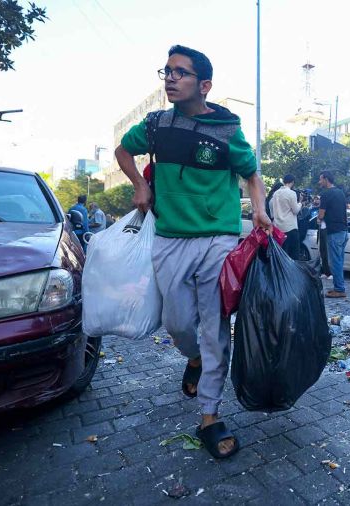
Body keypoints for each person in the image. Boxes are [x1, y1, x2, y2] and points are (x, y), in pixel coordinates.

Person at [114, 45, 270, 460]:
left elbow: (251, 173)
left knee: (215, 326)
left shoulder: (226, 129)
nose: (169, 78)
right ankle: (195, 359)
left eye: (179, 72)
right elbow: (122, 152)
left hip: (218, 238)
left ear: (204, 84)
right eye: (166, 71)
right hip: (169, 236)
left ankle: (209, 415)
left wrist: (259, 210)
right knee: (178, 322)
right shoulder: (155, 125)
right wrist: (140, 184)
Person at [318, 171, 347, 297]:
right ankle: (339, 287)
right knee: (339, 261)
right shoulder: (340, 192)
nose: (319, 182)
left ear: (326, 179)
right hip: (344, 231)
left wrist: (319, 219)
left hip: (334, 232)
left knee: (335, 262)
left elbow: (321, 215)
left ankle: (339, 289)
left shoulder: (325, 194)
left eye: (321, 179)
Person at [270, 174, 302, 259]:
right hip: (290, 227)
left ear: (284, 181)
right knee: (294, 254)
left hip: (278, 228)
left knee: (281, 254)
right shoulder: (292, 193)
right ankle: (292, 272)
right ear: (292, 182)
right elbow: (295, 210)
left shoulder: (276, 194)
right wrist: (300, 203)